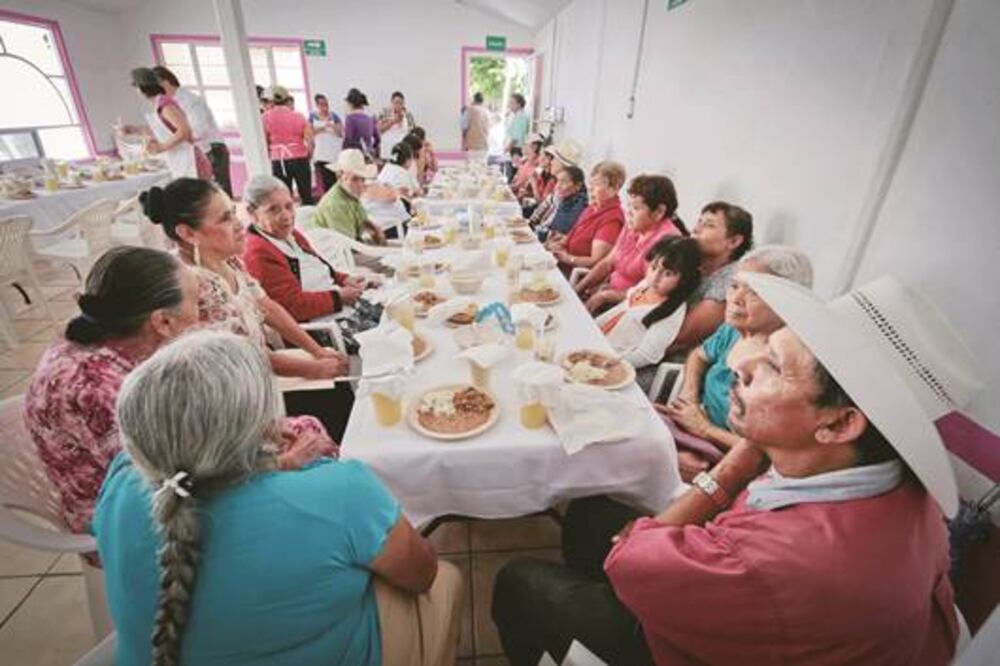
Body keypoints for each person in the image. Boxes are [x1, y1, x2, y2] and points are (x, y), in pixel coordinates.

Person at [493, 272, 962, 666]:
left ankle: (614, 626)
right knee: (592, 510)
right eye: (765, 347)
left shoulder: (775, 558)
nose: (741, 363)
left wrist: (735, 467)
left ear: (838, 422)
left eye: (775, 367)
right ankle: (620, 608)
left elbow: (627, 558)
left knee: (518, 582)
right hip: (773, 624)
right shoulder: (904, 493)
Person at [94, 330, 464, 666]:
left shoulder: (122, 481)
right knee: (446, 578)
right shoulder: (340, 492)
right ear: (263, 425)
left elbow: (210, 491)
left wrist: (278, 466)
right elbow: (421, 574)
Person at [22, 247, 332, 542]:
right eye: (197, 304)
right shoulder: (97, 386)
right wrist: (279, 465)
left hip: (165, 472)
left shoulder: (111, 339)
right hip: (130, 516)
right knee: (312, 458)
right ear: (162, 322)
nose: (201, 317)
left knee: (300, 430)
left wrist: (255, 431)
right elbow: (167, 483)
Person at [140, 178, 354, 441]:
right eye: (226, 218)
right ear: (188, 234)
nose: (240, 224)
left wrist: (317, 351)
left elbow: (270, 308)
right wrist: (312, 368)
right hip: (233, 403)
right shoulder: (191, 285)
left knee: (340, 389)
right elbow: (244, 355)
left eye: (233, 212)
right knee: (335, 405)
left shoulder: (227, 261)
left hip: (258, 374)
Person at [658, 246, 814, 478]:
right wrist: (689, 394)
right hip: (691, 424)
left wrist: (705, 430)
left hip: (728, 461)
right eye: (734, 286)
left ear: (786, 301)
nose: (735, 299)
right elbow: (699, 356)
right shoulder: (733, 330)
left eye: (754, 292)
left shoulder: (790, 365)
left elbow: (768, 454)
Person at [575, 175, 686, 314]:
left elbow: (648, 293)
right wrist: (577, 289)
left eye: (635, 208)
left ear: (659, 212)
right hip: (605, 291)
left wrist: (605, 296)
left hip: (627, 308)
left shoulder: (668, 243)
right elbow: (608, 263)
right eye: (629, 206)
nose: (628, 213)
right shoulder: (632, 226)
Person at [595, 236, 701, 379]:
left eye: (668, 274)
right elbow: (621, 309)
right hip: (600, 343)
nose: (655, 277)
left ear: (684, 279)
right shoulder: (646, 285)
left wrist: (610, 362)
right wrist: (593, 326)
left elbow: (647, 355)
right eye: (654, 267)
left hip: (615, 364)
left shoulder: (671, 312)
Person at [667, 201, 754, 355]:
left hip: (677, 359)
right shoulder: (693, 262)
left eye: (708, 225)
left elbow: (679, 339)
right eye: (699, 222)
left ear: (733, 241)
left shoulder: (730, 281)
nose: (695, 230)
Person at [152, 66, 231, 196]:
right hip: (200, 152)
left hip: (212, 149)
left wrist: (177, 138)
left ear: (164, 82)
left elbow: (200, 128)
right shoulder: (171, 103)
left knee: (218, 196)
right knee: (207, 197)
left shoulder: (189, 100)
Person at [126, 68, 212, 180]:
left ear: (142, 87)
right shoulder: (160, 104)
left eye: (136, 87)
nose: (137, 91)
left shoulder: (165, 104)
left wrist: (162, 147)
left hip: (190, 161)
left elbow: (184, 131)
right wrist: (135, 130)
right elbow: (167, 130)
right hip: (181, 159)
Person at [550, 160, 627, 272]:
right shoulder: (592, 208)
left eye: (596, 185)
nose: (590, 189)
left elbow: (596, 261)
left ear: (614, 189)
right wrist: (561, 242)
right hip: (562, 262)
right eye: (591, 184)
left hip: (572, 273)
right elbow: (576, 236)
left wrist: (568, 259)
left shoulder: (612, 220)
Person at [311, 149, 387, 246]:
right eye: (354, 179)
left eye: (362, 179)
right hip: (336, 254)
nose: (360, 184)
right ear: (339, 176)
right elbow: (349, 245)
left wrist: (374, 228)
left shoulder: (350, 195)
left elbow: (362, 221)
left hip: (350, 246)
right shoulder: (336, 204)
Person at [261, 85, 314, 205]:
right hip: (300, 158)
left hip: (279, 160)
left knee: (284, 197)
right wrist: (308, 155)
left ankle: (289, 221)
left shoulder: (265, 117)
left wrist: (271, 155)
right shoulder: (299, 116)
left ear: (271, 100)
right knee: (306, 195)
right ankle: (309, 220)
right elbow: (310, 141)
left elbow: (264, 141)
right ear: (286, 99)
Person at [533, 165, 588, 242]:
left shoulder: (580, 206)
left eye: (563, 182)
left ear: (578, 186)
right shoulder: (566, 200)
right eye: (557, 181)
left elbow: (560, 235)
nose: (557, 186)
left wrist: (536, 232)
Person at [309, 93, 343, 194]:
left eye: (326, 104)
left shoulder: (334, 115)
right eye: (322, 104)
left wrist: (332, 126)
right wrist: (323, 127)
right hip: (321, 154)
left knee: (337, 179)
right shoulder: (312, 116)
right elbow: (310, 132)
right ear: (317, 105)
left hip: (335, 153)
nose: (325, 107)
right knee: (326, 181)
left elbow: (340, 133)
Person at [343, 87, 380, 158]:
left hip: (354, 157)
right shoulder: (370, 118)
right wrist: (370, 148)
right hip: (368, 156)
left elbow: (349, 141)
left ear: (350, 104)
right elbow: (377, 139)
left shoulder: (350, 119)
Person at [377, 91, 416, 156]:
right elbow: (378, 130)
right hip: (387, 149)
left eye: (401, 103)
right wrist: (393, 121)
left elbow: (412, 132)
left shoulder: (408, 115)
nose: (398, 105)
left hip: (403, 150)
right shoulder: (385, 113)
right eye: (396, 103)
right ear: (392, 102)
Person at [512, 134, 544, 198]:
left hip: (526, 200)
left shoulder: (540, 164)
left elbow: (531, 185)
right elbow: (517, 181)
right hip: (516, 195)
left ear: (535, 147)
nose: (523, 147)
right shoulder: (526, 160)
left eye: (526, 145)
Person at [504, 93, 530, 159]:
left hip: (517, 148)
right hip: (513, 147)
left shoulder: (521, 116)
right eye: (509, 103)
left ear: (519, 104)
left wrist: (507, 148)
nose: (509, 105)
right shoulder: (515, 115)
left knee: (514, 167)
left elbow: (516, 137)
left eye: (512, 103)